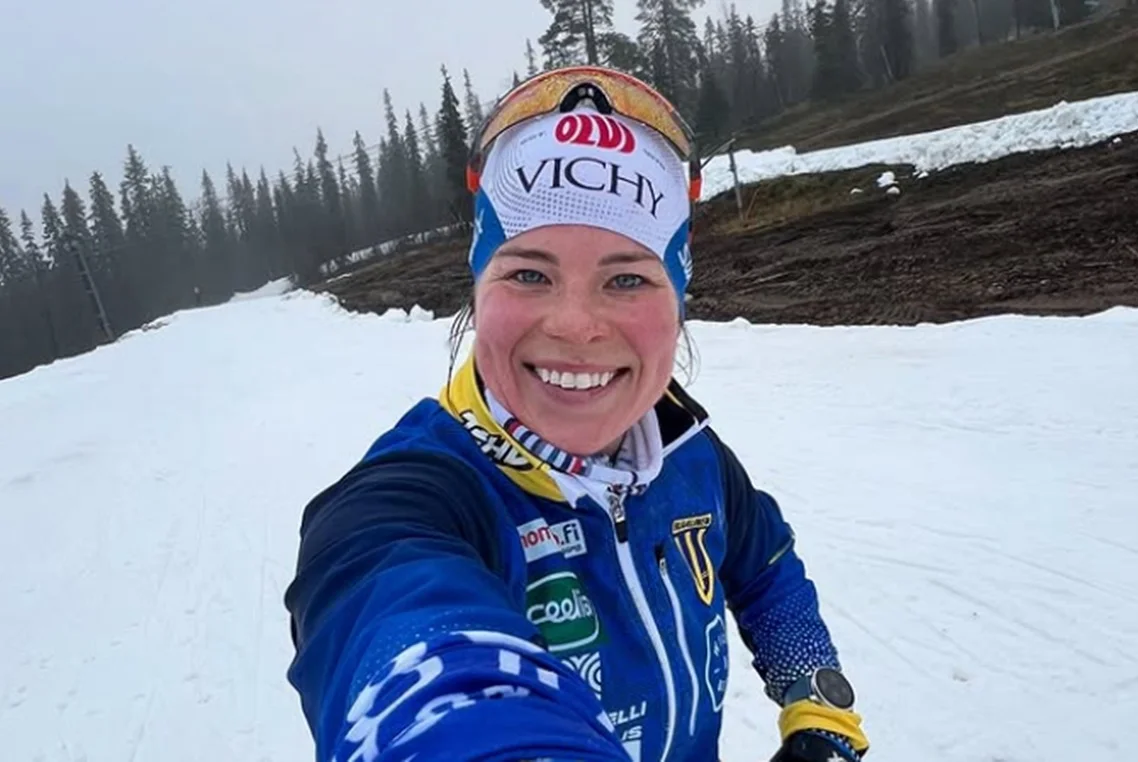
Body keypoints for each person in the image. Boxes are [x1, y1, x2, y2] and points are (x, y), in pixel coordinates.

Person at [284, 65, 870, 762]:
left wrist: (817, 702)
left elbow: (765, 566)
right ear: (478, 289)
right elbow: (393, 629)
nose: (576, 325)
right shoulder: (414, 498)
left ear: (678, 303)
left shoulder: (689, 452)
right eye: (529, 273)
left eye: (627, 278)